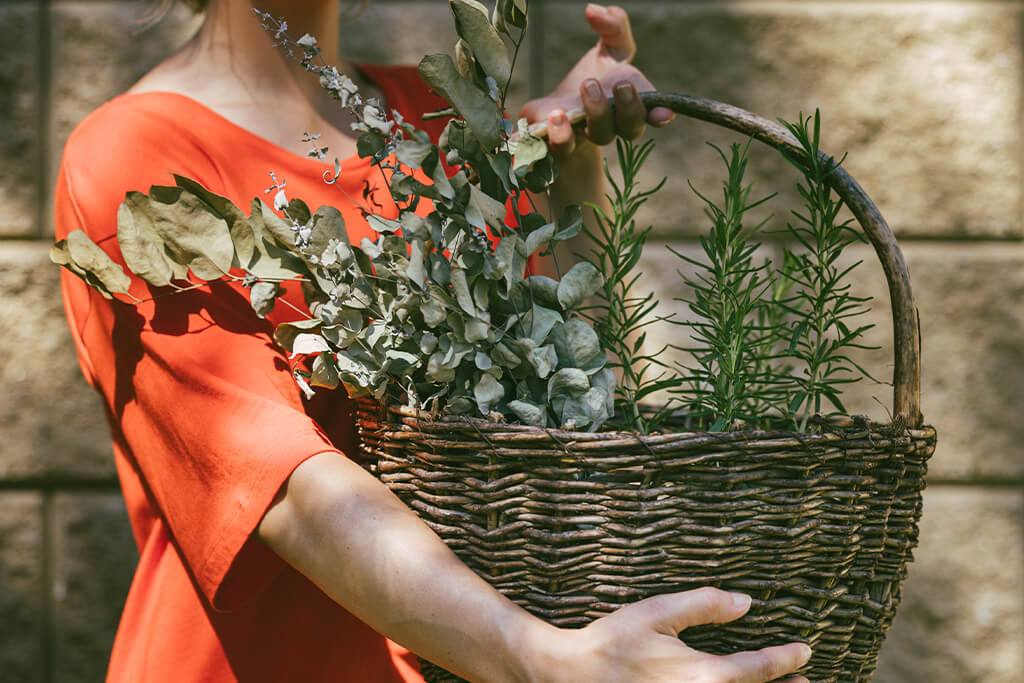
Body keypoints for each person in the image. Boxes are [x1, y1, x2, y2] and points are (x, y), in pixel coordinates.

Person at [54, 1, 813, 681]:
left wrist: (572, 168)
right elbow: (278, 480)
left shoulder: (435, 119)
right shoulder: (133, 153)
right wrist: (541, 658)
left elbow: (580, 402)